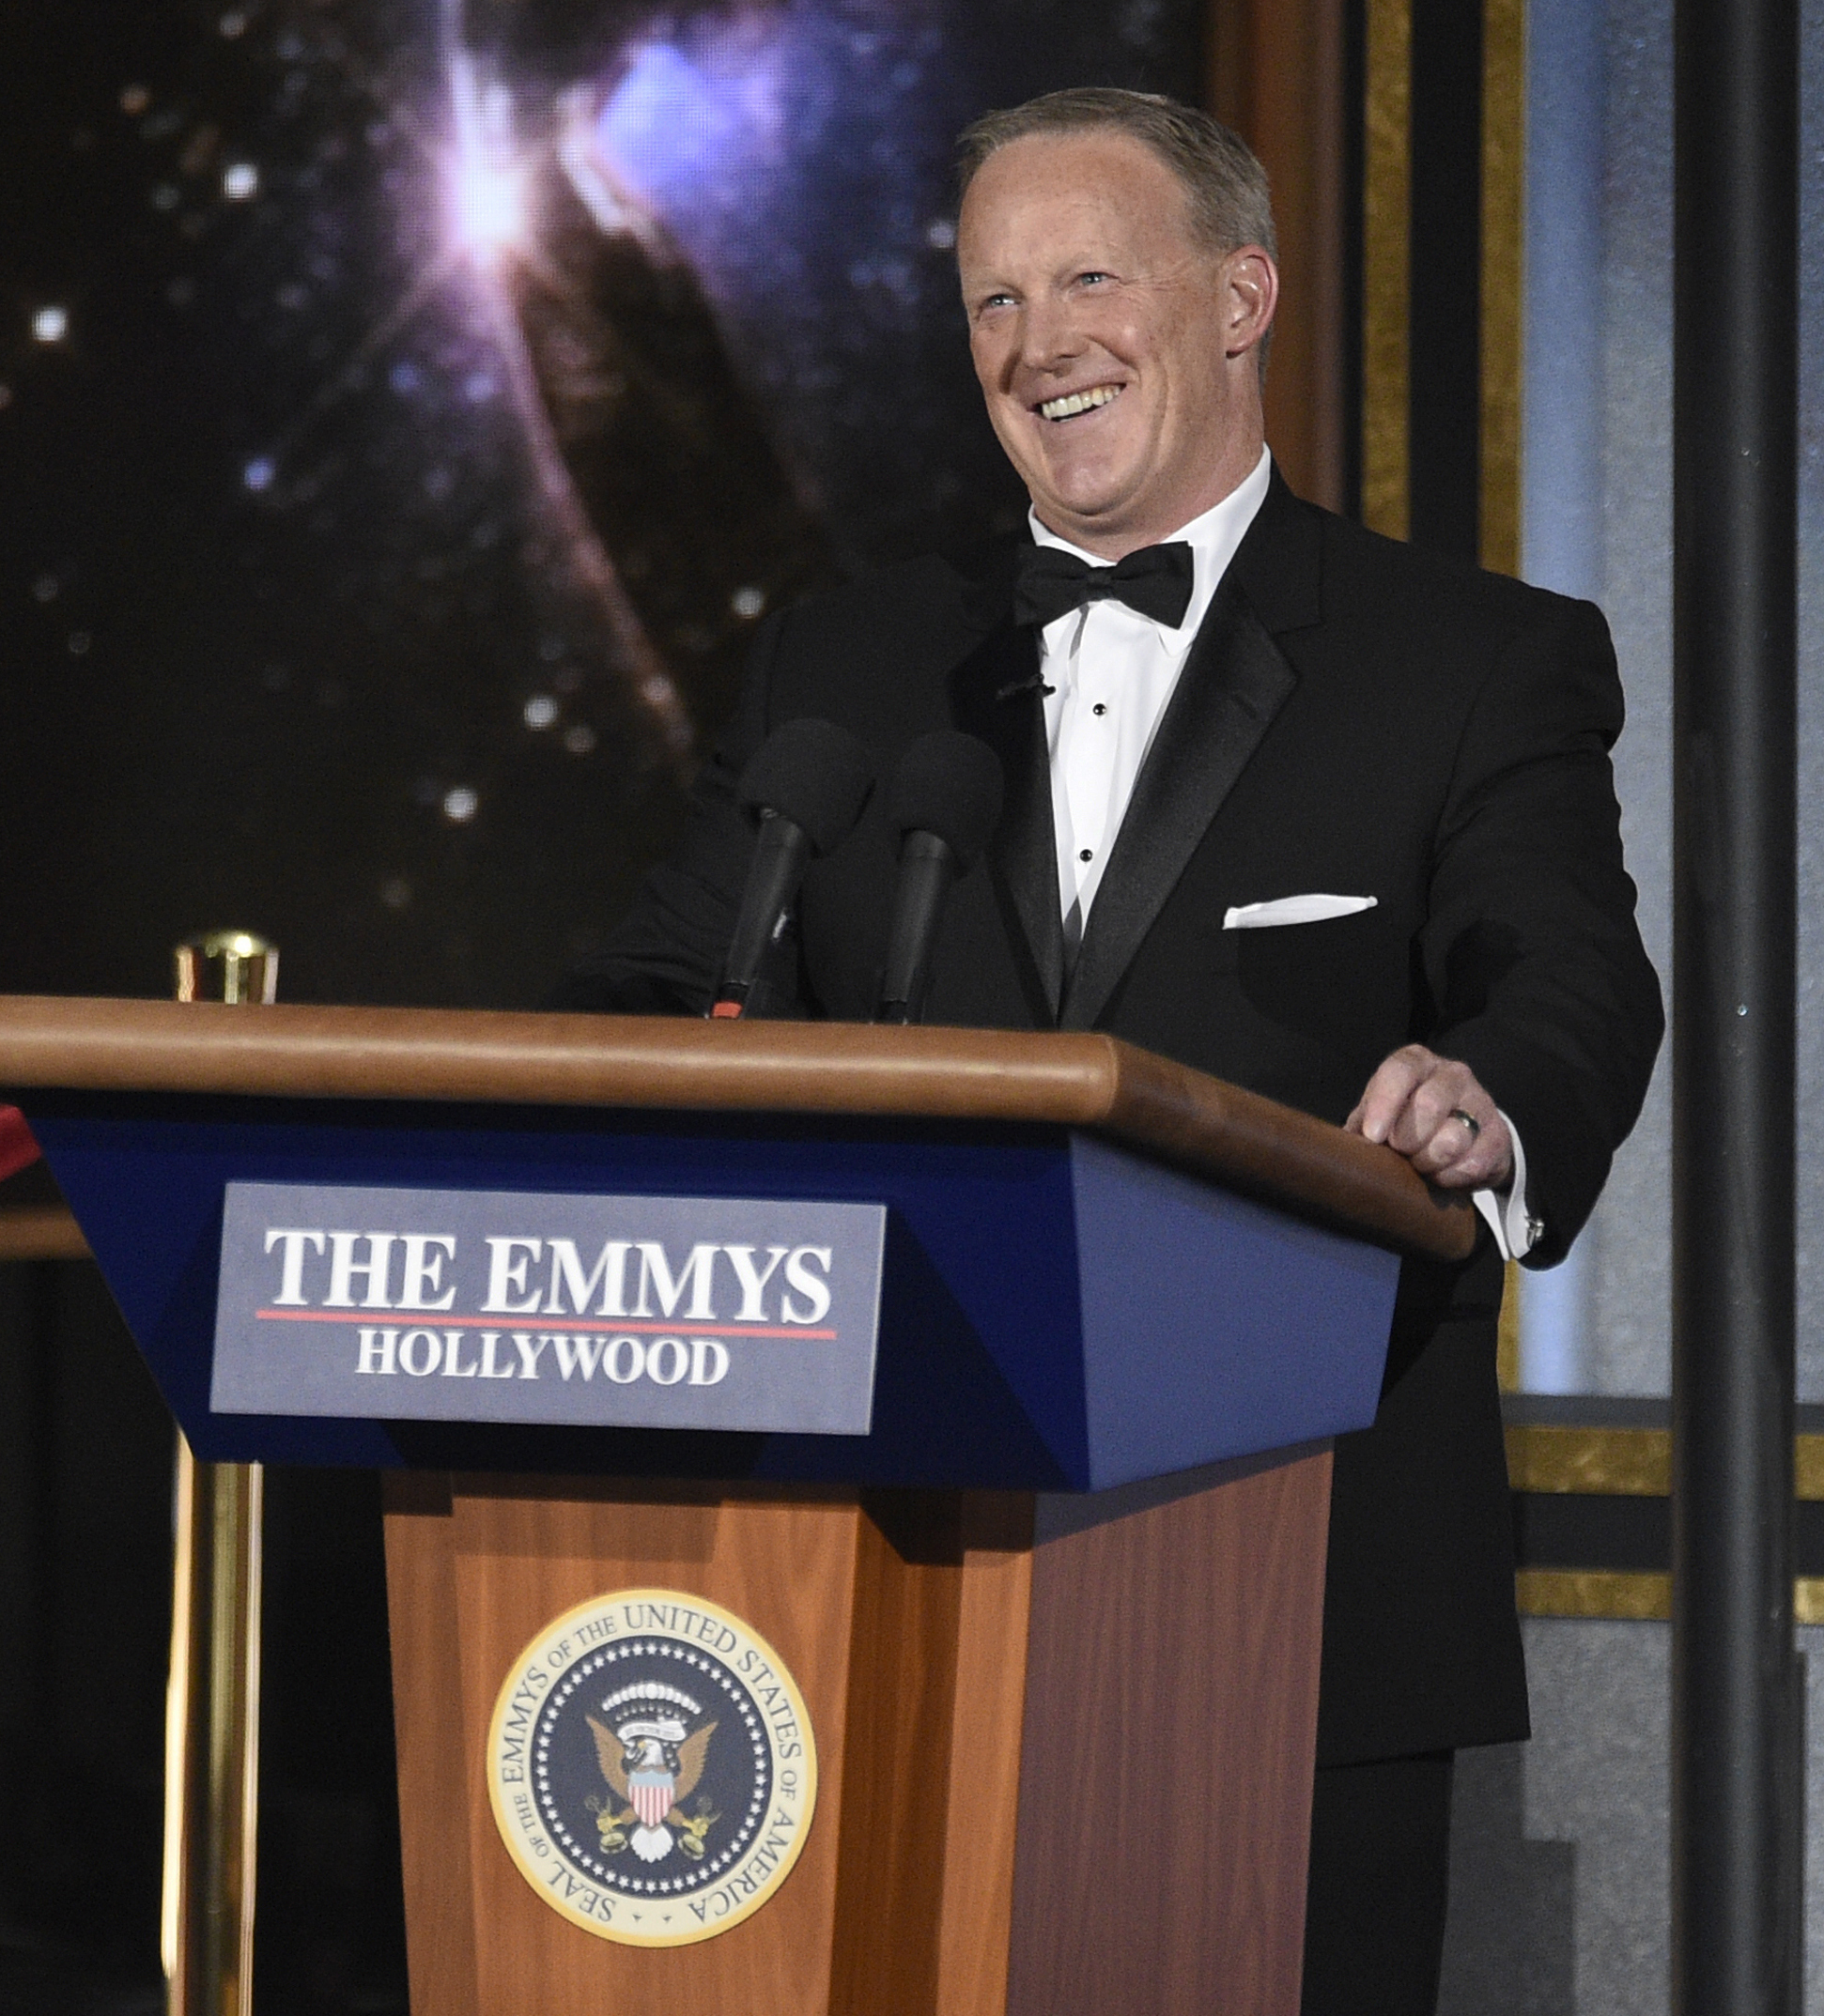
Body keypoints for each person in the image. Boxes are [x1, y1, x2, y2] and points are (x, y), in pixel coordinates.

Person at [553, 85, 1662, 2015]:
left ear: (1240, 296)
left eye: (1086, 280)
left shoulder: (1471, 659)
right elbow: (662, 987)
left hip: (1300, 1590)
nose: (1035, 343)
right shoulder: (845, 667)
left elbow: (1567, 982)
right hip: (865, 1580)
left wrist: (1488, 1095)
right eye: (991, 301)